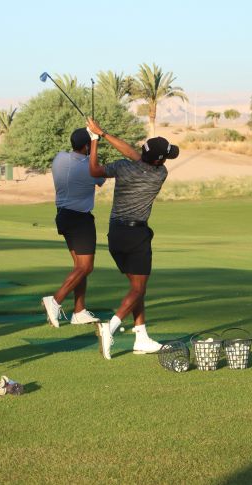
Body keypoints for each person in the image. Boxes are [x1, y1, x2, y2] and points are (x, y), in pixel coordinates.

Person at [86, 118, 179, 359]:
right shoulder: (160, 174)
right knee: (138, 289)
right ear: (159, 161)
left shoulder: (123, 168)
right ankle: (110, 327)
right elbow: (136, 156)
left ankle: (141, 337)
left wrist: (97, 138)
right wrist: (102, 133)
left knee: (137, 289)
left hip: (115, 235)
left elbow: (94, 171)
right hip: (136, 235)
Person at [41, 128, 105, 327]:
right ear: (86, 146)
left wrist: (91, 142)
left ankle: (79, 311)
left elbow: (85, 158)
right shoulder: (89, 168)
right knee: (86, 267)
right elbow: (99, 176)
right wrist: (96, 143)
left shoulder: (59, 158)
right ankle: (55, 300)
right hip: (80, 220)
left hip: (63, 216)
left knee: (79, 267)